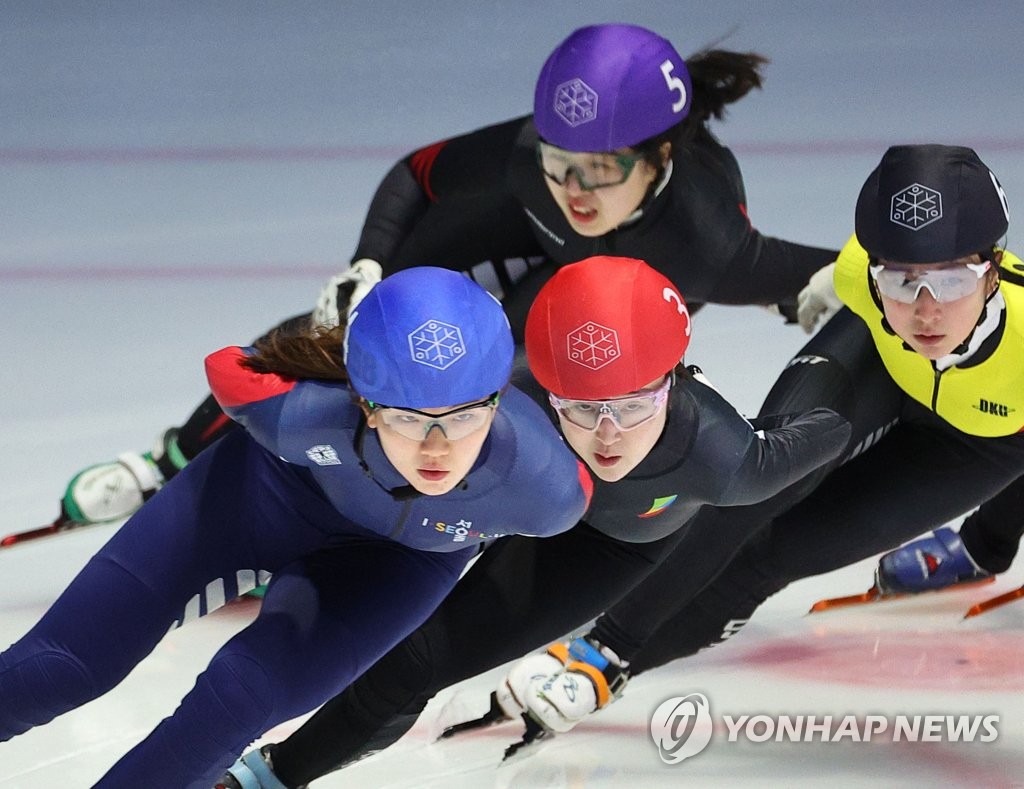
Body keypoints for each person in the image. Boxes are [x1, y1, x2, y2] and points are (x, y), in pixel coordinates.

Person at [59, 22, 841, 529]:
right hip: (509, 228)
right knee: (363, 324)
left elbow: (844, 274)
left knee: (500, 376)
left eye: (601, 170)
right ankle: (167, 459)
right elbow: (420, 173)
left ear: (660, 157)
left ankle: (394, 509)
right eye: (560, 162)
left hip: (606, 294)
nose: (574, 191)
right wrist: (368, 264)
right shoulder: (535, 164)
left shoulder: (702, 242)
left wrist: (825, 293)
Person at [217, 254, 852, 788]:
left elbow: (830, 424)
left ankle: (270, 777)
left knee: (418, 662)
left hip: (603, 545)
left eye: (633, 406)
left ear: (674, 381)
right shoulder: (503, 400)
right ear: (543, 389)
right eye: (579, 406)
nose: (607, 436)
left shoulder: (724, 457)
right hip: (496, 496)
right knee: (370, 618)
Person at [486, 142, 1024, 739]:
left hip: (981, 441)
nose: (924, 309)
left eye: (950, 282)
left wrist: (986, 543)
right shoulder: (860, 277)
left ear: (993, 269)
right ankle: (603, 648)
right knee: (752, 482)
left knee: (778, 554)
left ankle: (612, 657)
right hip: (875, 357)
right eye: (899, 278)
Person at [0, 267, 593, 787]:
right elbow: (229, 368)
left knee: (237, 700)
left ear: (495, 401)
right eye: (410, 419)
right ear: (364, 402)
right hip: (264, 496)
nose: (437, 448)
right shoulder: (298, 416)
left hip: (395, 566)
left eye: (464, 417)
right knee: (67, 664)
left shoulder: (544, 488)